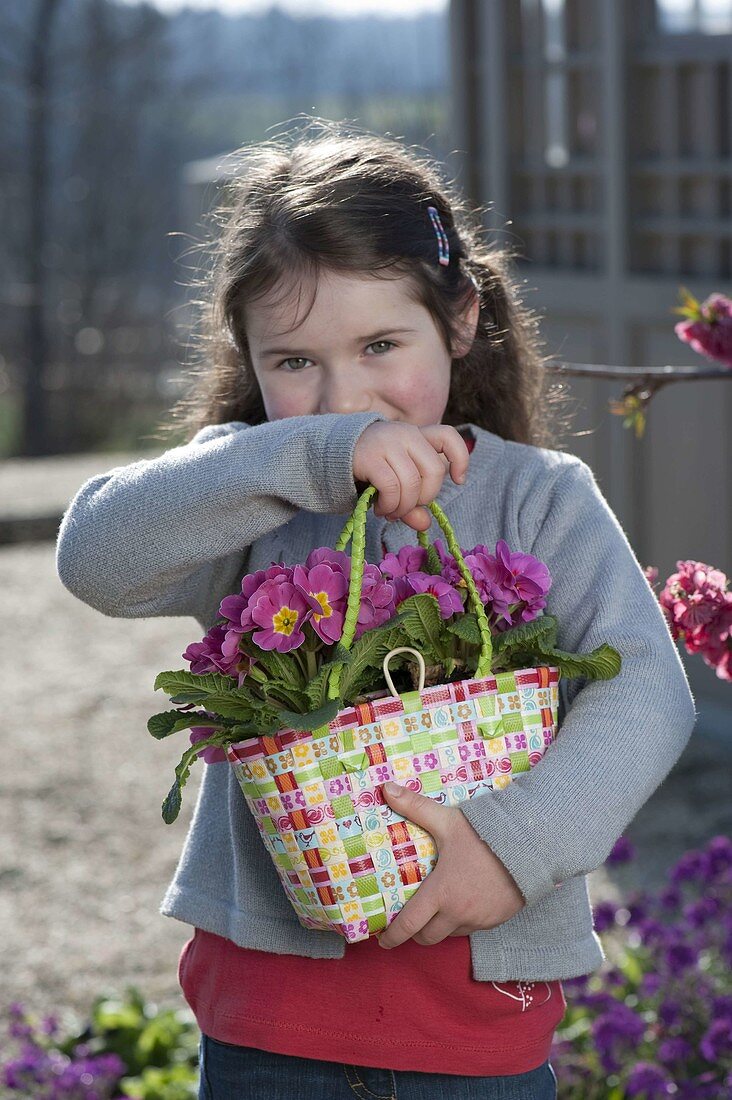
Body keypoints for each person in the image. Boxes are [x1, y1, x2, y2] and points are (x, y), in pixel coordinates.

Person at [56, 119, 697, 1100]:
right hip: (271, 1023)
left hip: (479, 1020)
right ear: (249, 355)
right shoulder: (252, 493)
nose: (344, 394)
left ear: (462, 318)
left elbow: (649, 692)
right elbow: (96, 555)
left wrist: (506, 847)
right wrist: (297, 457)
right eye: (295, 361)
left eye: (381, 344)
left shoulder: (540, 497)